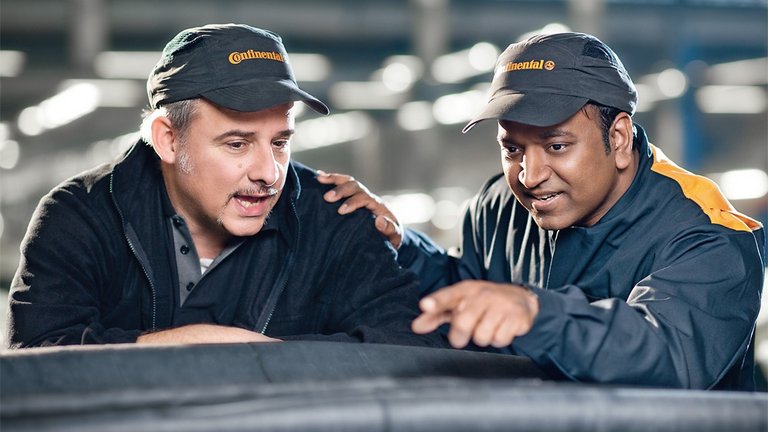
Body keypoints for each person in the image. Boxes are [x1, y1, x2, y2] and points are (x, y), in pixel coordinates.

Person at [320, 32, 766, 390]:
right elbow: (472, 288)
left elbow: (667, 353)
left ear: (620, 138)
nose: (530, 175)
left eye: (556, 146)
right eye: (512, 148)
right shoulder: (500, 204)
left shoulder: (709, 235)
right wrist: (402, 243)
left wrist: (536, 313)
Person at [6, 24, 441, 349]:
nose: (269, 173)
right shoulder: (79, 216)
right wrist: (222, 347)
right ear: (167, 140)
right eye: (237, 143)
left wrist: (252, 355)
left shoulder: (337, 218)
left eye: (280, 142)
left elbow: (405, 345)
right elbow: (38, 354)